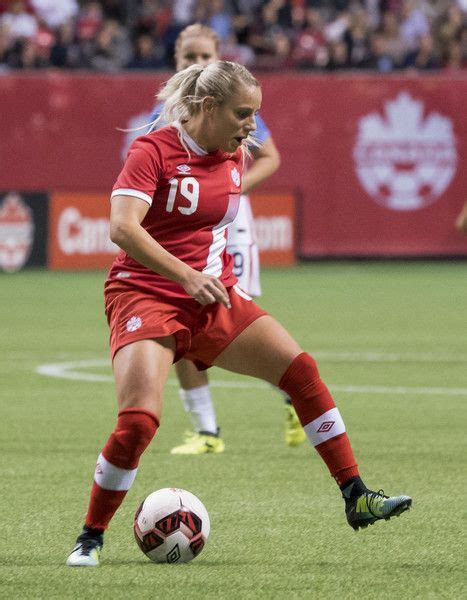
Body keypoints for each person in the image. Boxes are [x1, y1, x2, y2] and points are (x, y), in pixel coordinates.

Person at [66, 60, 412, 567]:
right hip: (145, 296)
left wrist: (216, 279)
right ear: (208, 108)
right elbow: (121, 228)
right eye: (243, 113)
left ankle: (356, 495)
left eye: (255, 113)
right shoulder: (153, 150)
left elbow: (213, 231)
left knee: (301, 371)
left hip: (214, 300)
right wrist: (185, 276)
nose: (252, 125)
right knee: (139, 421)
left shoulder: (237, 155)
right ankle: (90, 537)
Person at [147, 23, 305, 455]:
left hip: (229, 226)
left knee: (234, 326)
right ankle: (207, 431)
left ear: (218, 58)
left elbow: (271, 157)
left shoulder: (237, 108)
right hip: (183, 234)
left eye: (204, 56)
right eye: (188, 57)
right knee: (181, 321)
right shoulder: (162, 117)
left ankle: (291, 391)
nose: (196, 64)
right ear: (176, 60)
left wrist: (232, 188)